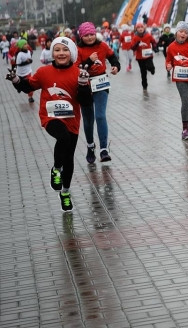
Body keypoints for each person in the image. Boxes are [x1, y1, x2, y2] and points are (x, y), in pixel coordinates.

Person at [7, 36, 92, 211]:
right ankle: (56, 169)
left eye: (65, 50)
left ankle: (65, 192)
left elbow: (85, 102)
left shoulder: (79, 73)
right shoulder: (44, 72)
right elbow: (28, 87)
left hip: (72, 120)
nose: (61, 53)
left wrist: (83, 85)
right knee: (63, 138)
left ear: (72, 53)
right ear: (52, 53)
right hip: (50, 117)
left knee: (69, 157)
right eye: (57, 50)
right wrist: (16, 80)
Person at [75, 21, 120, 163]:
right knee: (88, 119)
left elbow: (113, 57)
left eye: (92, 34)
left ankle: (104, 149)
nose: (89, 37)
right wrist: (89, 61)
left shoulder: (102, 46)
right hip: (84, 86)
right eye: (86, 35)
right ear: (81, 37)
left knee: (100, 116)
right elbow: (76, 69)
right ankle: (90, 146)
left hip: (101, 83)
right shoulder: (78, 50)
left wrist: (116, 67)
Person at [130, 22, 158, 91]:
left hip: (148, 55)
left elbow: (153, 41)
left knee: (150, 67)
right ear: (136, 29)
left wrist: (155, 47)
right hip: (140, 57)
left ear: (144, 28)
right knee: (143, 72)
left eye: (141, 27)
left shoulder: (148, 35)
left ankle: (152, 69)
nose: (140, 29)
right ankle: (144, 85)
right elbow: (132, 48)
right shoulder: (135, 37)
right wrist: (137, 44)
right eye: (138, 28)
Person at [14, 38, 35, 103]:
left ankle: (30, 97)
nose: (27, 45)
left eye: (26, 44)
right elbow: (18, 64)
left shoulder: (29, 52)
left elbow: (30, 60)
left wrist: (30, 61)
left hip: (28, 72)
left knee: (30, 85)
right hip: (20, 73)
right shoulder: (20, 54)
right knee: (19, 83)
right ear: (21, 46)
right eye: (25, 44)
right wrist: (26, 62)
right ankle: (19, 88)